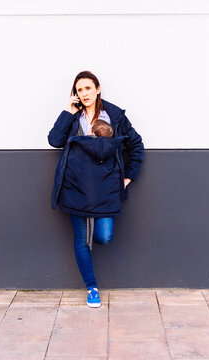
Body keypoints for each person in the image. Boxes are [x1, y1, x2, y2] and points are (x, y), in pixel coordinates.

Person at [48, 70, 144, 308]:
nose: (84, 93)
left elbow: (136, 145)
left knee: (104, 235)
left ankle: (94, 230)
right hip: (75, 184)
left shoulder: (114, 115)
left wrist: (128, 177)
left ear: (98, 88)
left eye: (88, 88)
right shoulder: (74, 116)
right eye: (79, 90)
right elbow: (54, 140)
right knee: (81, 238)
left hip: (106, 186)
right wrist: (68, 113)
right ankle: (92, 288)